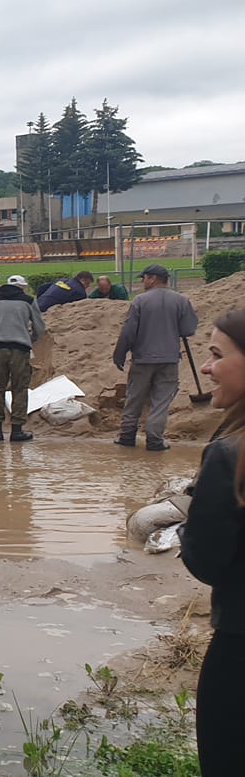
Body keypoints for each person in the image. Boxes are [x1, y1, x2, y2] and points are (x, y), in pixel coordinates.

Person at [178, 308, 245, 775]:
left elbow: (206, 560)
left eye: (216, 355)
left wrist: (190, 517)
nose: (205, 367)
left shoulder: (230, 455)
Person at [112, 263, 199, 451]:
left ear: (152, 278)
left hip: (142, 358)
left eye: (144, 278)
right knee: (161, 401)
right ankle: (155, 440)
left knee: (134, 397)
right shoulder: (181, 300)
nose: (143, 282)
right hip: (169, 359)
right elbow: (188, 330)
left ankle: (127, 436)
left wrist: (119, 354)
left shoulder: (140, 301)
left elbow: (128, 332)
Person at [0, 278, 47, 441]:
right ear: (22, 287)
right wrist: (31, 338)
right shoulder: (28, 301)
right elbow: (39, 327)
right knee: (19, 389)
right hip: (20, 348)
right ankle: (17, 431)